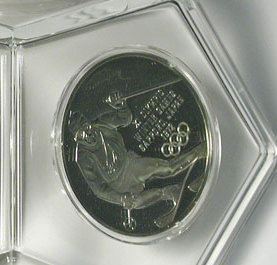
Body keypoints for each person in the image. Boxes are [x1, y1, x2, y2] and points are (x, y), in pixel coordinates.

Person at [71, 95, 205, 227]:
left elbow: (125, 119)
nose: (88, 134)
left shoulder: (100, 125)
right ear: (77, 139)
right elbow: (99, 189)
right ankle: (170, 192)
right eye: (82, 133)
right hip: (118, 183)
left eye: (87, 127)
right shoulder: (83, 157)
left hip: (130, 164)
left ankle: (199, 152)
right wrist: (120, 198)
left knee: (167, 168)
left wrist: (121, 106)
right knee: (135, 202)